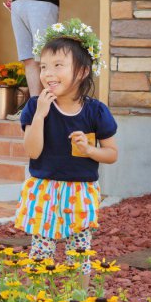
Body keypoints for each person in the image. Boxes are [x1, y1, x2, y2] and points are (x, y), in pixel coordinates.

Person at [13, 21, 117, 268]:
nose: (48, 73)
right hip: (43, 189)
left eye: (58, 65)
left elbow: (112, 154)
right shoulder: (35, 106)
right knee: (40, 255)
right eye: (44, 66)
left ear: (82, 72)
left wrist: (89, 150)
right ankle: (39, 291)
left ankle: (78, 292)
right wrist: (40, 115)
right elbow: (32, 151)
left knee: (79, 256)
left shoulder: (96, 111)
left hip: (81, 191)